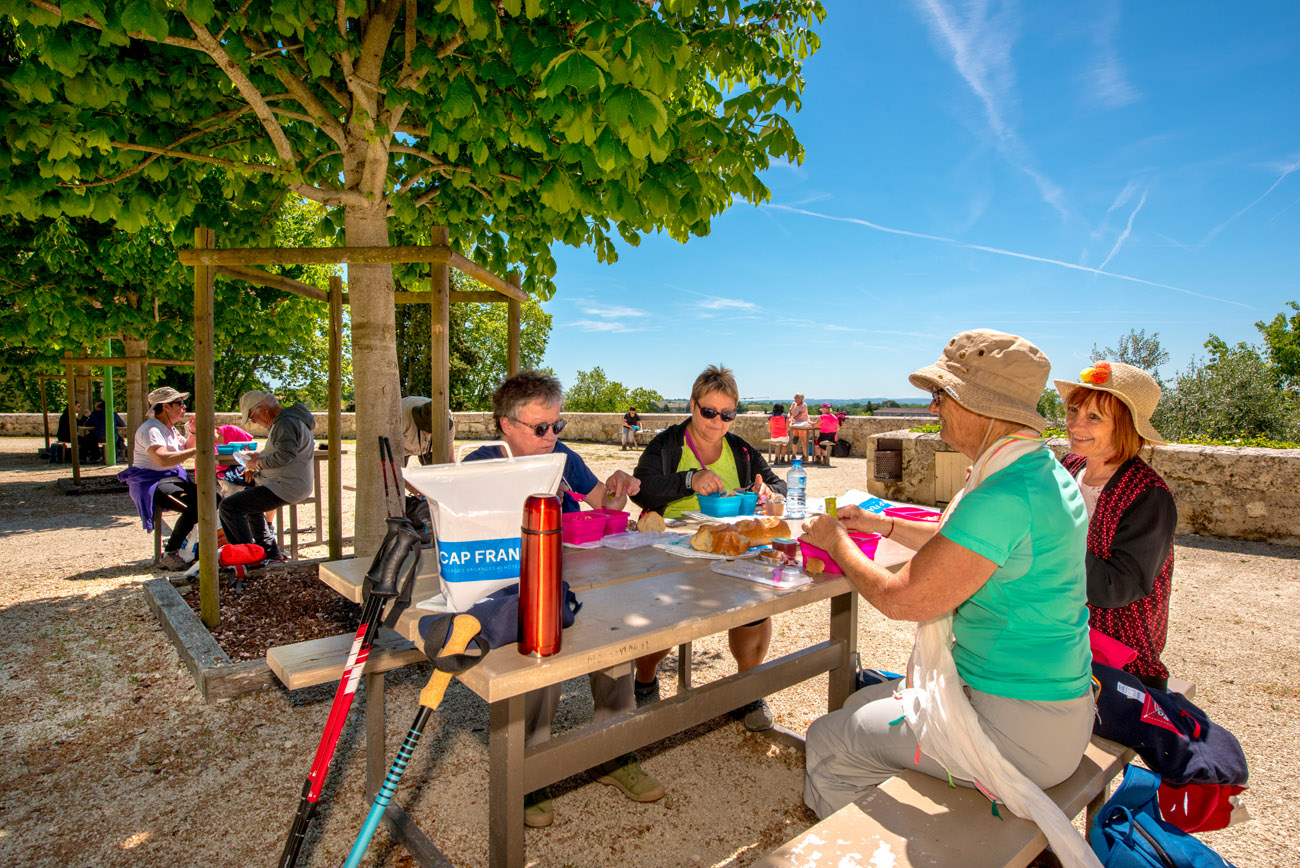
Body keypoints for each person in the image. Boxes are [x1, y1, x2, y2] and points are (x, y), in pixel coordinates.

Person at [799, 329, 1093, 822]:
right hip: (1054, 709)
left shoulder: (1000, 496)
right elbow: (960, 543)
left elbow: (903, 600)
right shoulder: (1039, 471)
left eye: (940, 396)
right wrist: (881, 523)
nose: (933, 409)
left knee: (828, 738)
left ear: (981, 406)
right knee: (859, 701)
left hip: (1015, 732)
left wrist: (835, 542)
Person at [463, 370, 660, 828]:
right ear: (505, 425)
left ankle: (613, 750)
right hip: (514, 580)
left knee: (616, 636)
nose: (551, 437)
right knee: (538, 650)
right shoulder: (480, 465)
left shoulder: (563, 457)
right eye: (540, 428)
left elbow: (604, 508)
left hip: (578, 571)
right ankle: (530, 770)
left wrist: (617, 490)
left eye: (557, 426)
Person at [630, 364, 787, 731]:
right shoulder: (668, 445)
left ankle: (747, 689)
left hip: (732, 545)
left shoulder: (741, 451)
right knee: (664, 614)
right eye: (709, 412)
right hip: (673, 546)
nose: (718, 422)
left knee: (756, 606)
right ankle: (645, 680)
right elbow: (642, 489)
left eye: (727, 414)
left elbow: (779, 485)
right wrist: (689, 480)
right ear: (692, 405)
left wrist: (770, 493)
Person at [1055, 361, 1177, 690]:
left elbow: (1116, 588)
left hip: (1117, 663)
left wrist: (1054, 537)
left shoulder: (1148, 496)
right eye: (1074, 409)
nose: (1075, 424)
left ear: (1124, 426)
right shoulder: (1069, 466)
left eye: (1094, 417)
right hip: (1061, 642)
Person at [219, 391, 316, 561]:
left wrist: (256, 463)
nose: (254, 422)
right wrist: (258, 459)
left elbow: (284, 456)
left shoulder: (286, 422)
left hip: (286, 485)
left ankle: (246, 558)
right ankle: (269, 553)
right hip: (287, 483)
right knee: (249, 505)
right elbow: (282, 452)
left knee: (230, 507)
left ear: (262, 409)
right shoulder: (286, 421)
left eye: (252, 417)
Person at [117, 387, 203, 571]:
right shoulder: (151, 429)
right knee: (197, 505)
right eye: (179, 403)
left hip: (171, 478)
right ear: (165, 406)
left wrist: (193, 433)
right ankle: (171, 552)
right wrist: (198, 450)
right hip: (152, 482)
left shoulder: (169, 429)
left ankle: (193, 547)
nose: (184, 406)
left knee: (212, 499)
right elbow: (161, 458)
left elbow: (184, 449)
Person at [401, 396, 456, 466]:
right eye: (428, 431)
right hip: (403, 445)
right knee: (397, 473)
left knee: (437, 471)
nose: (430, 435)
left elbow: (450, 457)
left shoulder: (446, 422)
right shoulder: (401, 418)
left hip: (429, 448)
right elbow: (392, 447)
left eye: (434, 432)